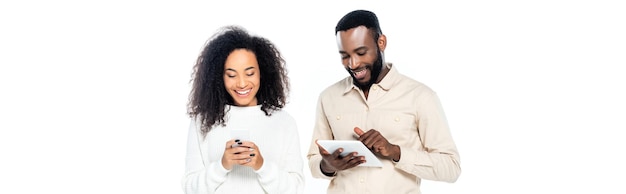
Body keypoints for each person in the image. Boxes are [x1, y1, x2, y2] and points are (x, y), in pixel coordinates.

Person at [307, 10, 461, 194]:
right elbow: (314, 162)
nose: (353, 64)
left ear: (381, 43)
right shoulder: (328, 97)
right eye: (345, 56)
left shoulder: (420, 96)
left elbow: (451, 168)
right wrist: (327, 166)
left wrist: (395, 151)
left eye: (361, 52)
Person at [182, 25, 304, 194]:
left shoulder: (284, 122)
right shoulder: (202, 122)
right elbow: (190, 188)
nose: (241, 83)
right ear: (219, 76)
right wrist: (222, 165)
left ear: (262, 73)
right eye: (231, 75)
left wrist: (261, 165)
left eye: (250, 73)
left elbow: (296, 188)